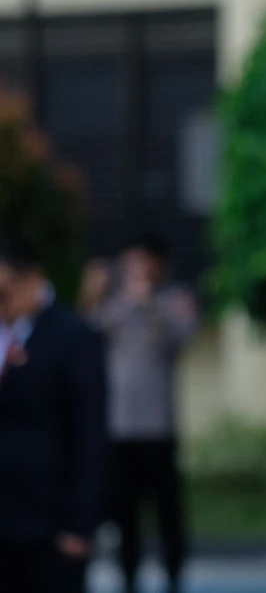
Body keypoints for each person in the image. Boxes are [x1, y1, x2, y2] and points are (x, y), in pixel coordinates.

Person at [81, 234, 199, 593]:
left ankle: (174, 578)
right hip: (120, 430)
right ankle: (128, 580)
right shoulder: (115, 306)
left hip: (158, 430)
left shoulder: (175, 301)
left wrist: (147, 304)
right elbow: (84, 335)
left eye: (141, 264)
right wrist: (92, 292)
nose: (134, 272)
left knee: (168, 515)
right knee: (125, 516)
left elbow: (178, 341)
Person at [0, 230, 107, 593]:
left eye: (3, 291)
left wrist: (81, 524)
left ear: (32, 278)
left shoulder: (74, 337)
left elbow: (91, 437)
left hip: (50, 524)